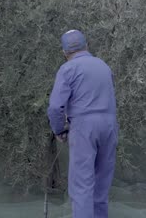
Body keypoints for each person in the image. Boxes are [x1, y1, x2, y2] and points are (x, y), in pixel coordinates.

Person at [47, 29, 119, 218]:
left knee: (82, 188)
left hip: (84, 128)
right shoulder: (104, 66)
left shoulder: (68, 69)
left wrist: (59, 130)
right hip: (109, 126)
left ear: (64, 53)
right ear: (87, 45)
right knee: (101, 187)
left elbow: (55, 107)